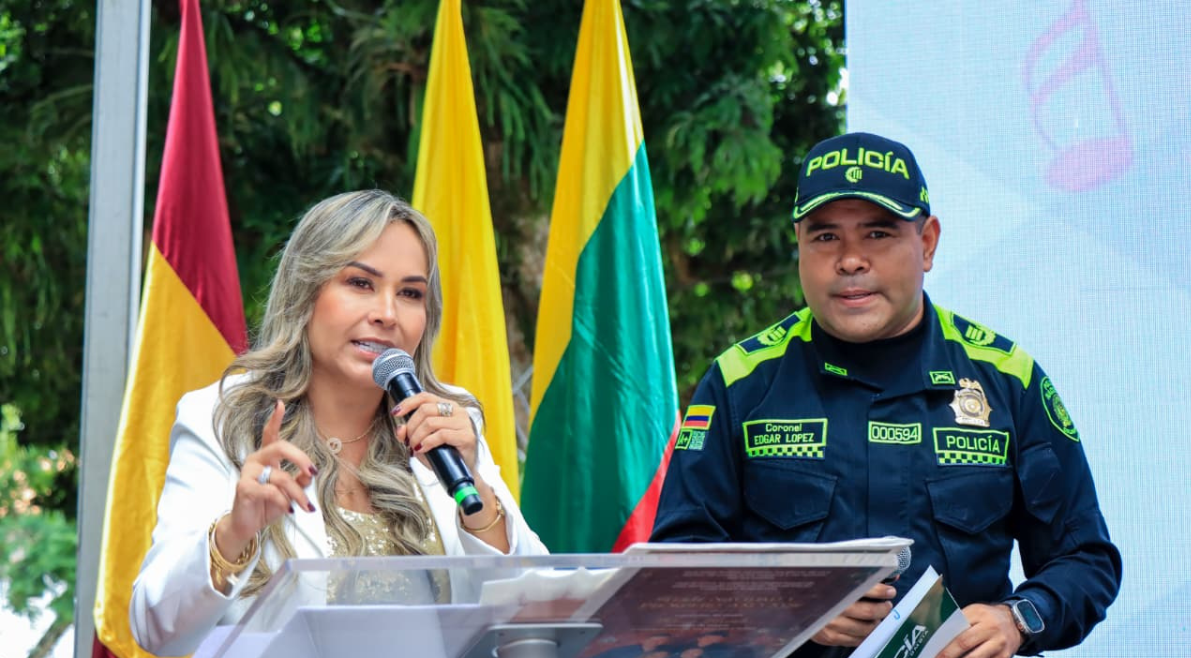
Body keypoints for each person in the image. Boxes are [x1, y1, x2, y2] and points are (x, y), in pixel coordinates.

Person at [651, 133, 1121, 658]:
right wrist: (786, 606)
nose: (851, 260)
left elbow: (1086, 559)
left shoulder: (1008, 380)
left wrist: (1018, 618)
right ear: (799, 246)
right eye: (825, 237)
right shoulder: (739, 383)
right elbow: (675, 572)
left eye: (878, 233)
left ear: (927, 243)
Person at [130, 190, 547, 656]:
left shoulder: (447, 420)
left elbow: (538, 613)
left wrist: (480, 496)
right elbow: (156, 629)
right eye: (360, 284)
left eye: (410, 293)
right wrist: (235, 531)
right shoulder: (223, 416)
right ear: (306, 292)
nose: (387, 314)